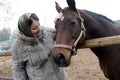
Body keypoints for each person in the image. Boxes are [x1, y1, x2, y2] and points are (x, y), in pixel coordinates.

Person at [11, 13, 68, 80]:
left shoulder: (47, 32)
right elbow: (18, 69)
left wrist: (60, 22)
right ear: (26, 30)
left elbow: (62, 33)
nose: (39, 29)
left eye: (39, 25)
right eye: (34, 28)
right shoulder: (18, 47)